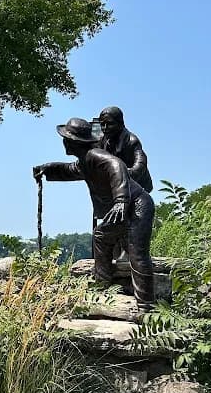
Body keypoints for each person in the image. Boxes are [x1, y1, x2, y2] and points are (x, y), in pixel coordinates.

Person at [33, 117, 155, 311]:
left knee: (137, 253)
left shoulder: (96, 156)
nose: (64, 143)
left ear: (73, 142)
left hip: (138, 205)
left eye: (66, 139)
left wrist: (121, 200)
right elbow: (69, 170)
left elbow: (117, 165)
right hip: (124, 207)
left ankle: (146, 306)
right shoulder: (85, 162)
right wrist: (47, 169)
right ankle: (103, 290)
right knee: (101, 236)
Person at [97, 106, 153, 261]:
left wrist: (121, 173)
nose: (105, 128)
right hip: (117, 187)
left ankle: (129, 252)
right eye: (102, 124)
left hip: (138, 186)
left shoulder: (132, 141)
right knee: (114, 216)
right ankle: (117, 252)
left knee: (130, 217)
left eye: (109, 124)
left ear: (120, 123)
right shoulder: (103, 141)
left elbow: (140, 164)